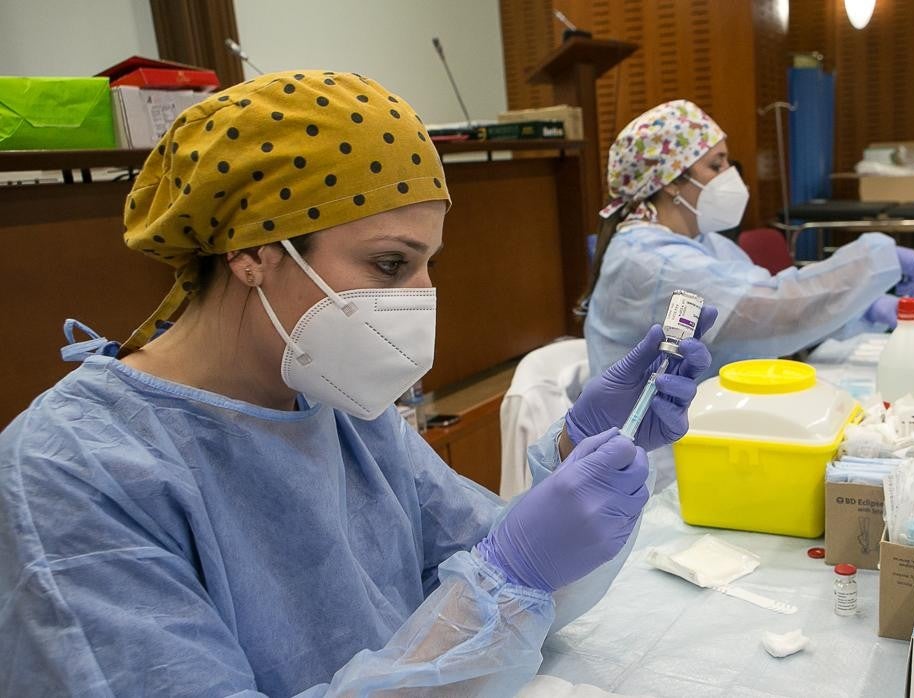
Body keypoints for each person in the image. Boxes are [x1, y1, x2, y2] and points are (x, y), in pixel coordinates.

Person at [0, 71, 716, 696]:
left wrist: (582, 451)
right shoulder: (71, 473)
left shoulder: (337, 406)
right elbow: (498, 591)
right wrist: (509, 576)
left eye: (429, 264)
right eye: (390, 265)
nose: (420, 300)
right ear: (254, 251)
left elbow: (517, 596)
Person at [583, 99, 914, 382]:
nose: (730, 175)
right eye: (716, 166)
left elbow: (761, 316)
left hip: (701, 426)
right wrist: (876, 259)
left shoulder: (704, 243)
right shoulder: (653, 262)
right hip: (653, 451)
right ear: (670, 181)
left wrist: (864, 311)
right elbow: (776, 310)